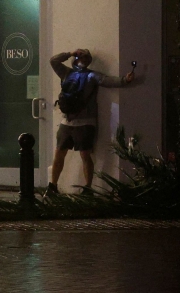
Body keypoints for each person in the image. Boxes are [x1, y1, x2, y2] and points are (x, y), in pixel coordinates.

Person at [46, 49, 133, 194]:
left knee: (84, 155)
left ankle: (87, 187)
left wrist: (124, 80)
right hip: (68, 121)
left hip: (84, 123)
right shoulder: (69, 73)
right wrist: (70, 53)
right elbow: (53, 60)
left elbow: (108, 80)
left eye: (85, 57)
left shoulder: (87, 75)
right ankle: (54, 186)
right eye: (81, 56)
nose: (83, 59)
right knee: (61, 154)